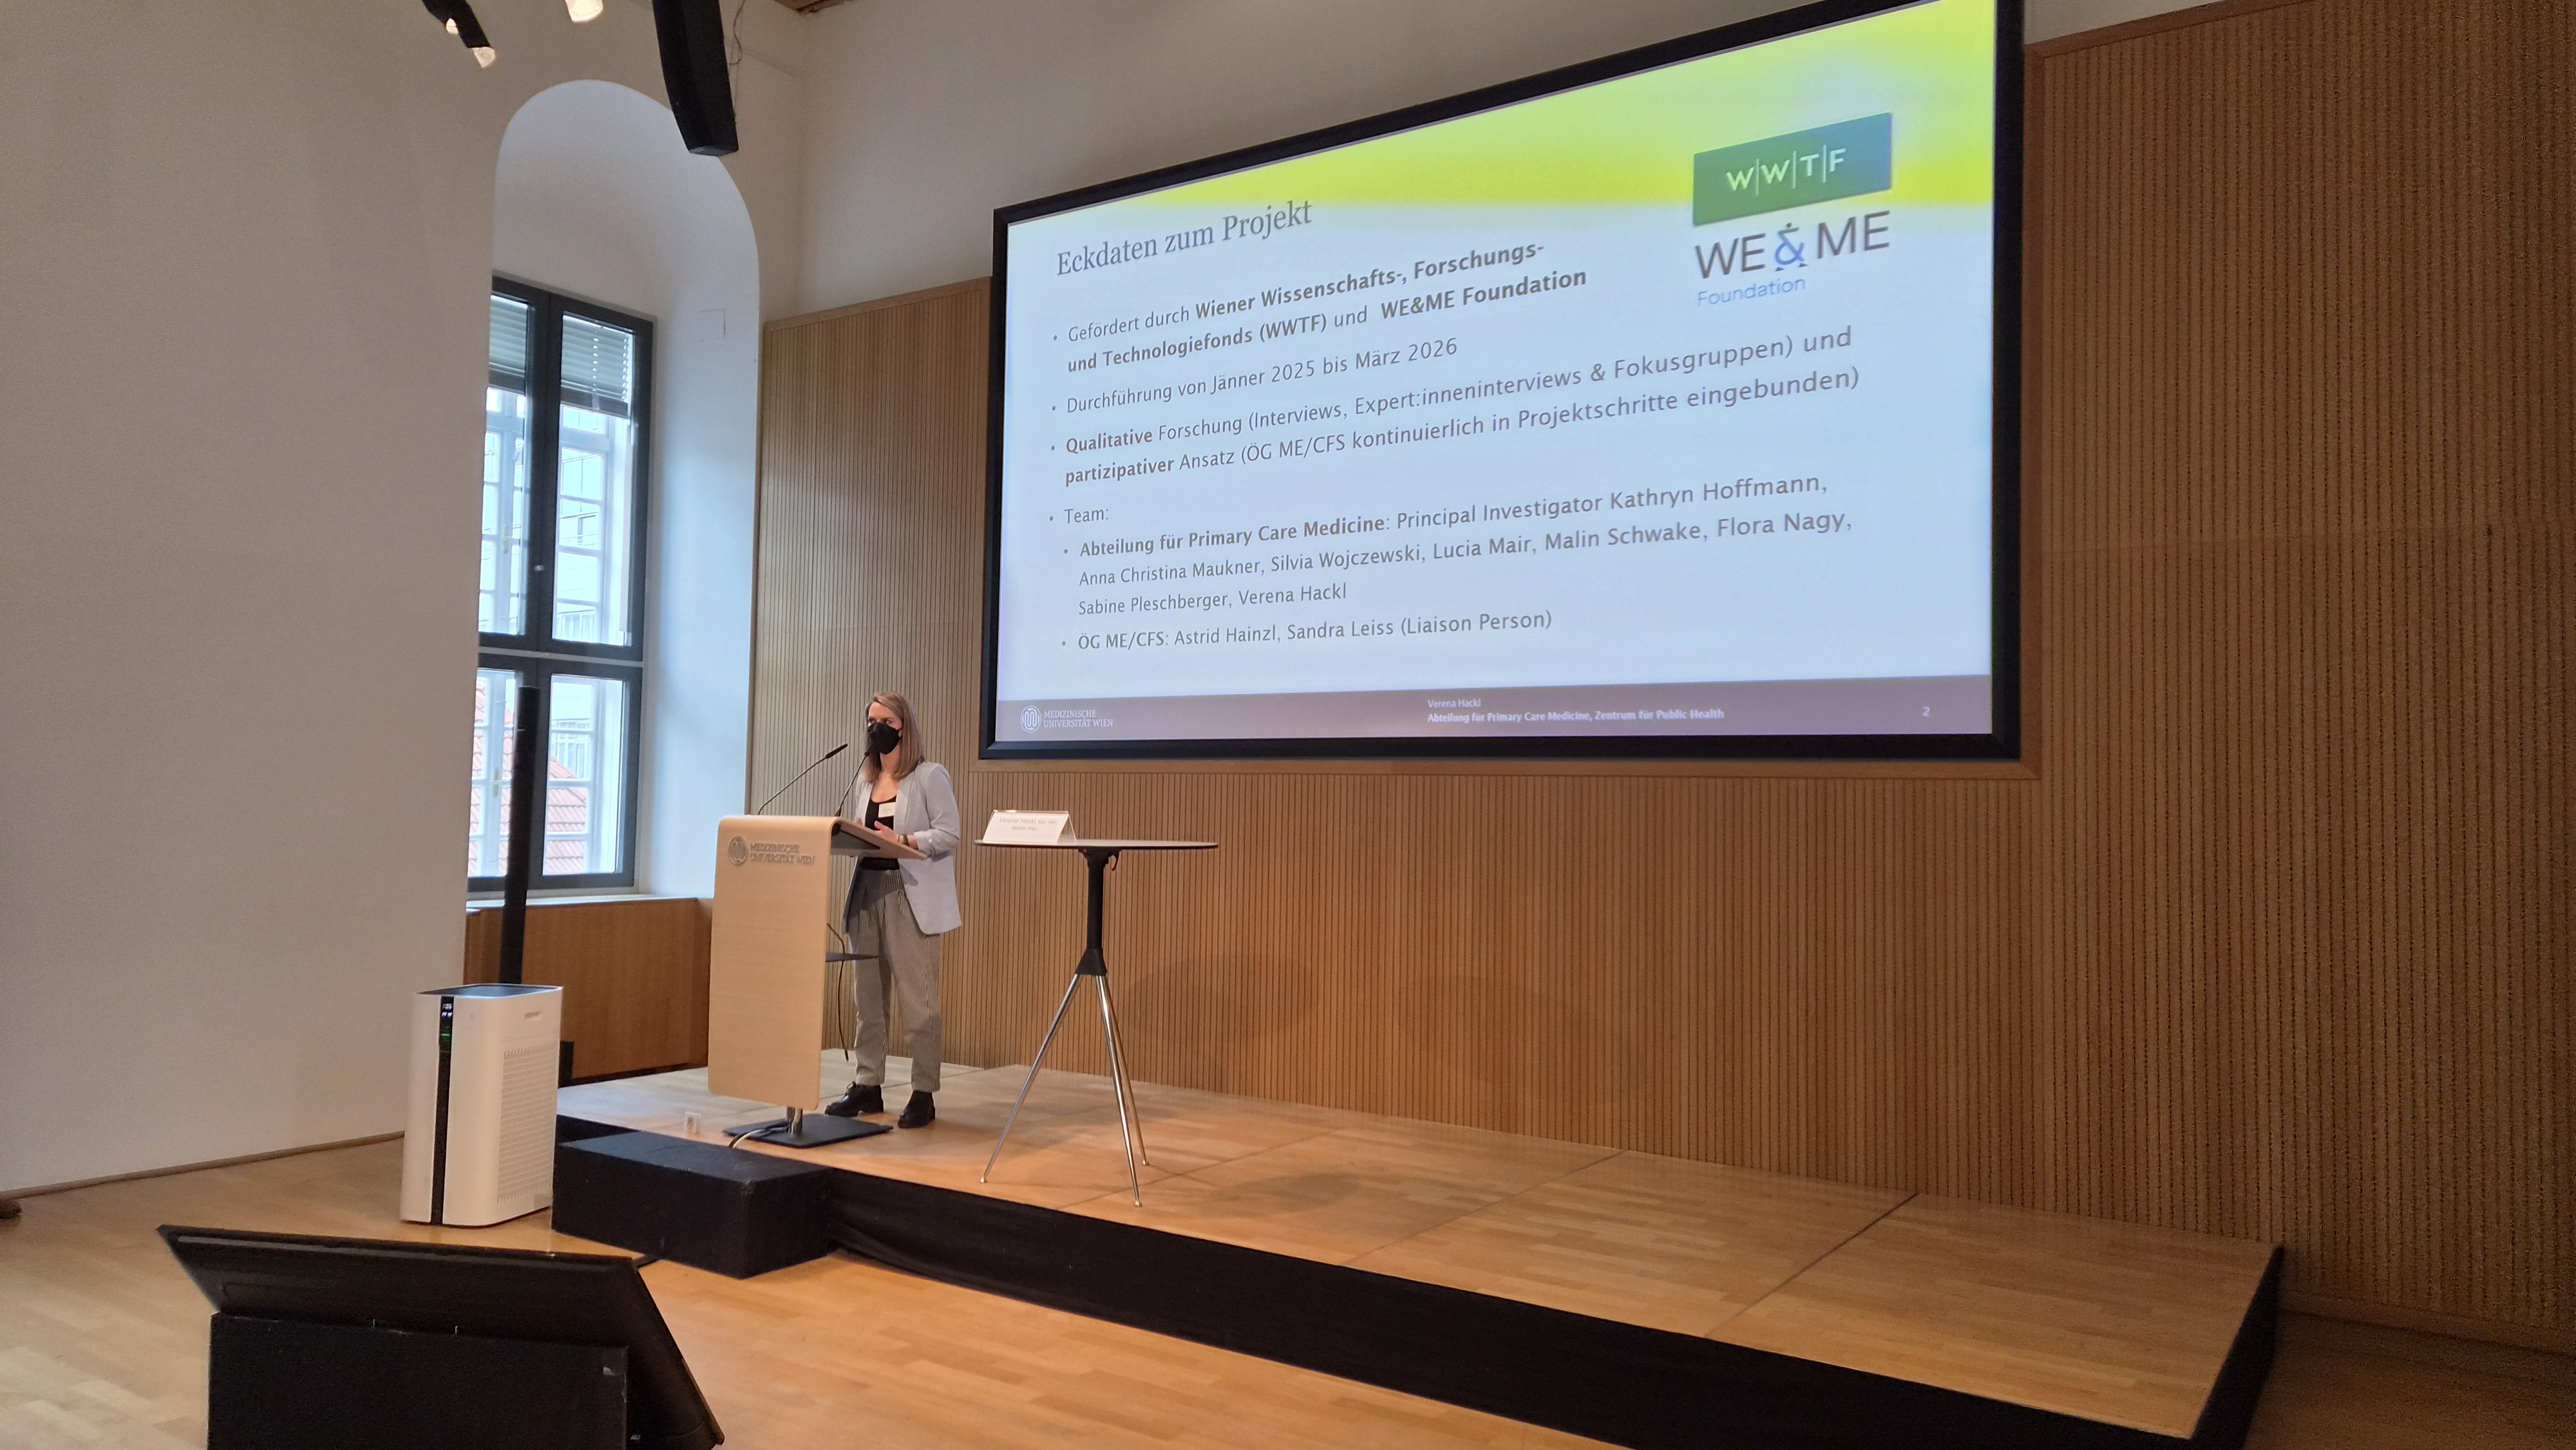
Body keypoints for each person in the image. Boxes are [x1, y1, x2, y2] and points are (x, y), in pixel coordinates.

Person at [822, 692, 960, 1129]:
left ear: (905, 727)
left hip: (908, 893)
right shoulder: (865, 780)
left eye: (885, 721)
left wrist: (906, 840)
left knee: (919, 1003)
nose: (875, 728)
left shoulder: (929, 776)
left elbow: (949, 833)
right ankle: (868, 1084)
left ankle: (924, 1091)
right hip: (867, 889)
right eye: (871, 721)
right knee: (867, 999)